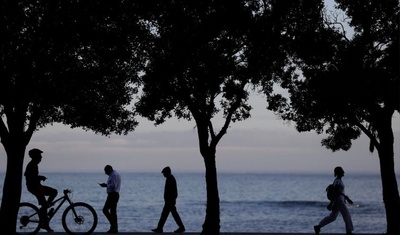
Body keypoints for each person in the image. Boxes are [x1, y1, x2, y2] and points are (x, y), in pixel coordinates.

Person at [24, 148, 58, 233]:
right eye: (39, 155)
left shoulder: (33, 164)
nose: (41, 157)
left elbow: (29, 175)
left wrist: (39, 178)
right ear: (36, 156)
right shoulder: (32, 165)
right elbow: (30, 177)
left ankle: (45, 213)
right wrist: (40, 177)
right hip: (35, 188)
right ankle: (45, 222)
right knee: (54, 192)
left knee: (46, 202)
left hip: (36, 187)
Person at [314, 166, 354, 235]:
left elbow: (339, 192)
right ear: (339, 172)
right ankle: (349, 232)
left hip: (338, 200)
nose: (343, 172)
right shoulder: (338, 181)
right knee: (346, 215)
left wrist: (345, 198)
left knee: (332, 217)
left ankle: (318, 227)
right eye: (342, 171)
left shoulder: (338, 180)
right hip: (339, 201)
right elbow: (336, 192)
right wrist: (331, 203)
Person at [152, 166, 185, 233]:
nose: (163, 175)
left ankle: (160, 228)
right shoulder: (170, 179)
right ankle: (160, 228)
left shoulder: (170, 179)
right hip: (169, 201)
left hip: (169, 201)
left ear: (167, 172)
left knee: (165, 215)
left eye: (164, 173)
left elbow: (173, 192)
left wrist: (171, 200)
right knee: (169, 214)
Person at [99, 165, 121, 234]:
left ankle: (113, 226)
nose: (106, 173)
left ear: (109, 170)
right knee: (113, 212)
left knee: (105, 210)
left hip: (113, 195)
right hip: (114, 194)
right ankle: (114, 228)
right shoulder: (115, 174)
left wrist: (105, 185)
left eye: (106, 172)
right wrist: (107, 185)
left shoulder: (113, 175)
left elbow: (114, 186)